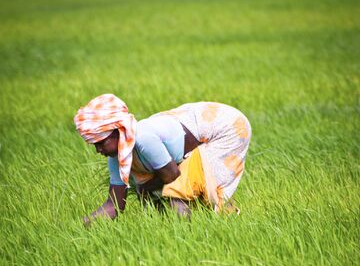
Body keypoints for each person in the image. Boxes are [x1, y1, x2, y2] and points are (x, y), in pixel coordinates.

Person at [74, 94, 251, 223]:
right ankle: (174, 232)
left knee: (178, 195)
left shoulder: (143, 138)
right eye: (94, 145)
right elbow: (114, 206)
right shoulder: (117, 158)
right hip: (196, 125)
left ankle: (191, 240)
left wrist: (142, 188)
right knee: (158, 194)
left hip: (227, 128)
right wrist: (84, 223)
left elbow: (171, 175)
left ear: (118, 131)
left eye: (101, 143)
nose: (98, 150)